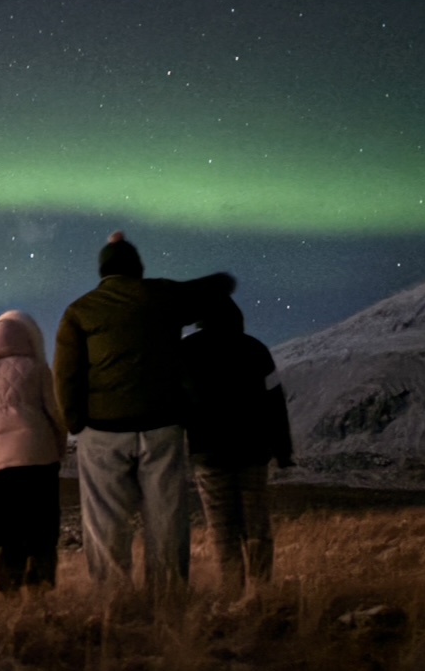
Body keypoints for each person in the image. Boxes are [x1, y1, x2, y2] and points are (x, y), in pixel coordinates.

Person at [52, 231, 235, 596]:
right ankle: (168, 597)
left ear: (102, 271)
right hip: (161, 424)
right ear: (138, 268)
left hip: (103, 430)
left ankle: (113, 599)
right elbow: (221, 285)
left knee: (105, 519)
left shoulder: (79, 310)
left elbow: (66, 373)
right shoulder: (163, 295)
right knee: (167, 516)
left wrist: (74, 421)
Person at [179, 295, 293, 603]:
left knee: (222, 529)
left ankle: (232, 594)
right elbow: (275, 403)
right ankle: (261, 591)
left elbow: (175, 401)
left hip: (208, 452)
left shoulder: (186, 351)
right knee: (256, 524)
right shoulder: (256, 349)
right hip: (252, 450)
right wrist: (283, 450)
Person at [0, 310, 66, 594]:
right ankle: (41, 582)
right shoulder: (37, 368)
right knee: (42, 521)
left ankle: (10, 583)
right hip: (39, 455)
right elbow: (55, 412)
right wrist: (60, 443)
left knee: (7, 524)